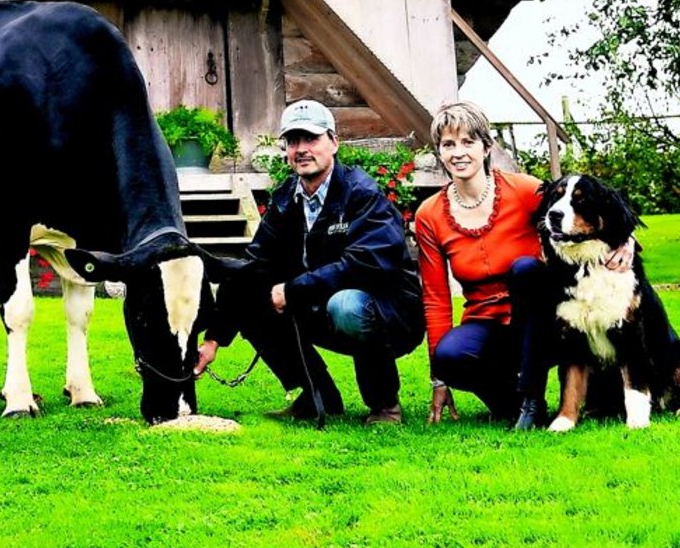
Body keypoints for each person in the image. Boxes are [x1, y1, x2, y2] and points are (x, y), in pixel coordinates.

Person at [194, 100, 424, 424]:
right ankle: (318, 397)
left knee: (347, 305)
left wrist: (293, 290)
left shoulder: (362, 193)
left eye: (311, 138)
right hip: (319, 305)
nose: (301, 149)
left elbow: (365, 265)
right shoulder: (286, 198)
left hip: (390, 314)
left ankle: (384, 404)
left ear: (334, 142)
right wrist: (214, 339)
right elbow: (253, 264)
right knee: (253, 293)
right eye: (293, 141)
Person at [413, 102, 632, 430]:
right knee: (450, 356)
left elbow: (588, 206)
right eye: (448, 144)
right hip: (487, 323)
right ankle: (516, 404)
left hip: (547, 318)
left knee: (526, 269)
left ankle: (531, 399)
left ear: (487, 147)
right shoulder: (429, 214)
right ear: (439, 152)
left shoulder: (524, 190)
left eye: (468, 142)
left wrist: (627, 241)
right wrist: (438, 380)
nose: (458, 153)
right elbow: (435, 298)